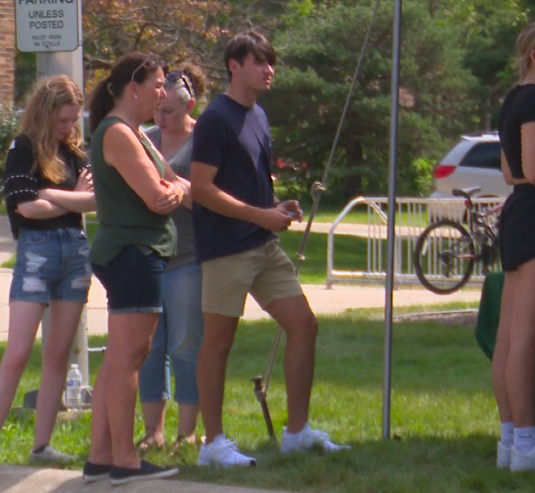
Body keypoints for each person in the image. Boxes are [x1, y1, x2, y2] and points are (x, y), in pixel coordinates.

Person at [191, 31, 347, 468]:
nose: (268, 69)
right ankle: (213, 444)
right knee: (218, 343)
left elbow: (248, 181)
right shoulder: (215, 119)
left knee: (304, 325)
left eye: (271, 61)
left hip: (262, 243)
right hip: (225, 248)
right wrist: (261, 215)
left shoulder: (258, 114)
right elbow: (202, 189)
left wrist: (276, 207)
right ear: (234, 66)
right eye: (259, 61)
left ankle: (297, 433)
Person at [0, 75, 95, 484]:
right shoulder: (22, 149)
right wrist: (64, 197)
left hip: (75, 252)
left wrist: (51, 196)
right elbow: (26, 209)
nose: (69, 128)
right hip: (36, 252)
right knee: (17, 352)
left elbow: (93, 200)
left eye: (74, 121)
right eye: (63, 120)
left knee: (59, 353)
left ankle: (42, 445)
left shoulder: (75, 153)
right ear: (46, 111)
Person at [82, 53, 186, 485]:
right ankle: (124, 460)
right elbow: (158, 197)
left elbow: (172, 184)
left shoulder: (136, 134)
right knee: (129, 359)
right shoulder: (118, 133)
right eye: (158, 84)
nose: (164, 93)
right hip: (133, 254)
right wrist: (175, 189)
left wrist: (175, 186)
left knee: (118, 359)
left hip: (137, 253)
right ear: (133, 87)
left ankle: (100, 456)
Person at [137, 64, 207, 451]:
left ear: (190, 105)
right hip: (151, 258)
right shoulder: (144, 140)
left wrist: (181, 189)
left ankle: (187, 432)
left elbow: (213, 200)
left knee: (185, 344)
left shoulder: (203, 142)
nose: (161, 119)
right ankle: (153, 433)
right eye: (158, 110)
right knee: (148, 348)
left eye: (171, 113)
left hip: (189, 258)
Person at [492, 20, 535, 471]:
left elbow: (512, 173)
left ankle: (511, 440)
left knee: (509, 336)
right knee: (525, 336)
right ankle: (526, 442)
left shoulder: (512, 98)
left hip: (517, 212)